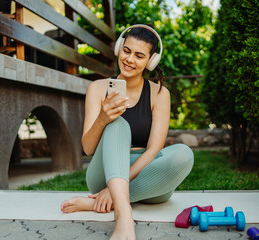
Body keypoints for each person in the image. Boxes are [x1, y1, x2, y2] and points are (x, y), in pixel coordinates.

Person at [61, 24, 194, 240]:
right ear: (119, 49)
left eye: (139, 55)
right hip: (103, 174)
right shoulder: (96, 89)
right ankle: (124, 217)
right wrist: (103, 119)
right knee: (118, 124)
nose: (130, 59)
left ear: (150, 62)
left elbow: (153, 150)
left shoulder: (160, 94)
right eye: (127, 51)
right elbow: (87, 148)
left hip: (147, 175)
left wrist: (114, 189)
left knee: (184, 154)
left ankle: (102, 201)